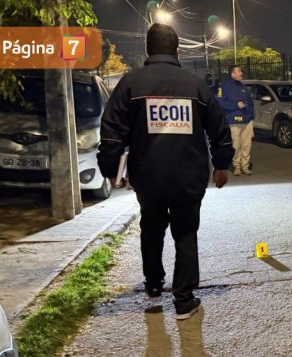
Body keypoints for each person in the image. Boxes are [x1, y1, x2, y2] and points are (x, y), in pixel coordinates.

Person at [97, 23, 234, 320]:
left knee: (152, 228)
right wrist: (222, 165)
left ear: (148, 49)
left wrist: (110, 169)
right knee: (185, 233)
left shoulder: (131, 84)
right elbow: (220, 130)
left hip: (148, 176)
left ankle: (154, 288)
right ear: (177, 50)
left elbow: (111, 132)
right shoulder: (195, 86)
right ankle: (184, 301)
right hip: (189, 176)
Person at [217, 65, 255, 176]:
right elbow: (220, 102)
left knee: (246, 145)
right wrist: (235, 105)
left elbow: (250, 103)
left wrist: (250, 117)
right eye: (239, 71)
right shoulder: (224, 86)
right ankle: (237, 166)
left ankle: (245, 166)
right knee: (236, 145)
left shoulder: (243, 87)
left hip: (246, 121)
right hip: (233, 121)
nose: (241, 73)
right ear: (232, 74)